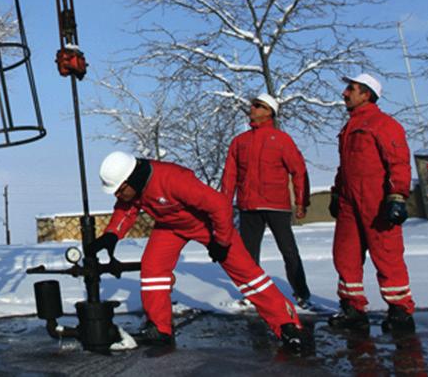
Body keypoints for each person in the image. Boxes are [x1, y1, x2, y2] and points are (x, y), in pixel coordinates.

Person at [87, 151, 306, 353]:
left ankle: (287, 325)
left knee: (247, 273)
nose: (117, 194)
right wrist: (112, 234)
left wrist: (220, 242)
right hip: (170, 226)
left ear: (131, 179)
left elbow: (220, 205)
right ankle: (160, 328)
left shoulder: (173, 179)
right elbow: (127, 209)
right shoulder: (134, 189)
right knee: (153, 268)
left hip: (207, 224)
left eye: (119, 189)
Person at [329, 73, 415, 333]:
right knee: (345, 255)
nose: (345, 93)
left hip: (376, 202)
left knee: (387, 254)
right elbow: (345, 166)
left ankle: (400, 310)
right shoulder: (349, 127)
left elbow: (398, 161)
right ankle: (353, 308)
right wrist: (336, 193)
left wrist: (397, 196)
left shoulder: (383, 124)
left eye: (351, 89)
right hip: (348, 202)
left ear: (366, 94)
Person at [220, 93, 312, 308]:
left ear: (269, 111)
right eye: (252, 105)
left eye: (258, 105)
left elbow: (298, 170)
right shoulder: (239, 142)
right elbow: (229, 176)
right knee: (248, 255)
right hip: (248, 206)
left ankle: (302, 293)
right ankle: (252, 294)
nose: (252, 108)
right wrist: (224, 205)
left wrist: (301, 202)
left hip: (276, 206)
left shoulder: (281, 140)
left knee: (288, 250)